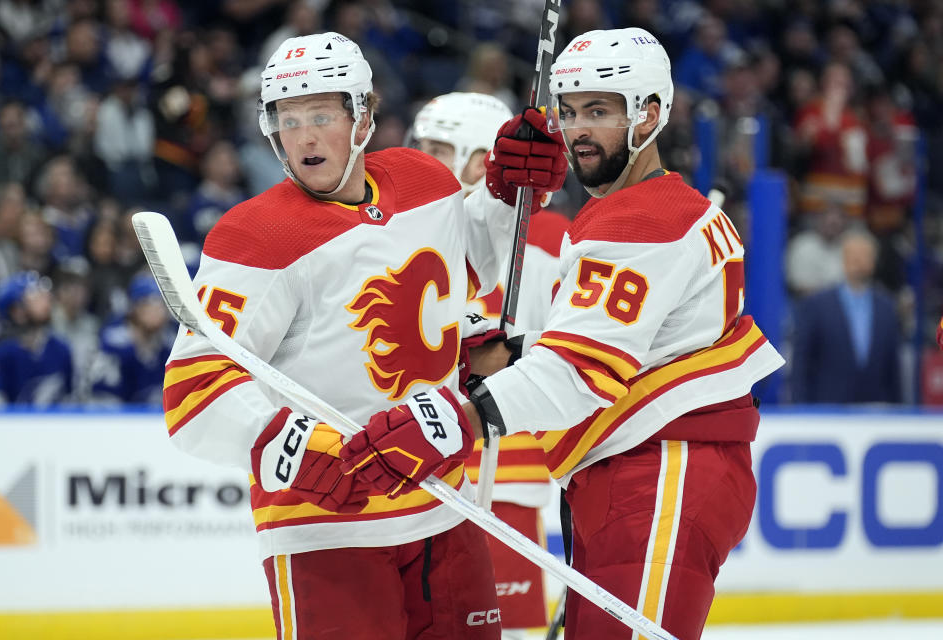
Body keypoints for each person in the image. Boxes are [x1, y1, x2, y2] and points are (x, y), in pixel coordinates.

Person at [339, 28, 785, 640]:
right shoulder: (649, 211)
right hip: (631, 472)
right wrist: (511, 352)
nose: (578, 129)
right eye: (570, 111)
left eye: (599, 111)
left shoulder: (641, 221)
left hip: (657, 474)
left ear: (649, 115)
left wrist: (457, 417)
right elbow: (631, 347)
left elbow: (580, 372)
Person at [160, 32, 566, 640]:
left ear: (364, 117)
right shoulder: (254, 237)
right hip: (329, 528)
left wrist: (509, 194)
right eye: (287, 118)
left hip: (443, 509)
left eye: (321, 114)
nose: (303, 135)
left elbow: (470, 263)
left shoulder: (422, 179)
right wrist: (283, 440)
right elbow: (192, 391)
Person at [407, 92, 569, 638]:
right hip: (422, 470)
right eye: (420, 145)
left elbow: (568, 352)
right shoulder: (404, 236)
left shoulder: (547, 241)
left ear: (482, 160)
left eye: (439, 148)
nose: (424, 159)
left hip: (507, 474)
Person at [791, 229, 901, 404]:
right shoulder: (816, 305)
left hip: (875, 411)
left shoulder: (886, 307)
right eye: (853, 255)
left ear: (874, 260)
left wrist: (896, 409)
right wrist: (801, 409)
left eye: (865, 255)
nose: (858, 261)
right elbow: (802, 364)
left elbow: (893, 367)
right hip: (828, 410)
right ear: (842, 259)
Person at [0, 271, 74, 406]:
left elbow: (69, 400)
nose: (47, 300)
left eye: (45, 295)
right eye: (36, 297)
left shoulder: (60, 348)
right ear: (16, 310)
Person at [89, 272, 174, 406]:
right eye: (149, 303)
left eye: (161, 304)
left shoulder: (169, 346)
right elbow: (103, 402)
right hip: (117, 421)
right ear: (134, 307)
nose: (157, 310)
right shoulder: (114, 345)